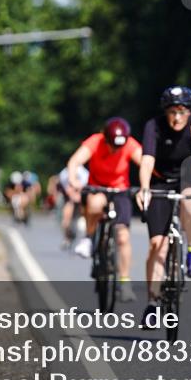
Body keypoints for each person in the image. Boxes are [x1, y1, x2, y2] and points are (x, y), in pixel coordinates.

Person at [136, 86, 191, 329]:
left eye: (182, 111)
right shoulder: (153, 126)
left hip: (187, 179)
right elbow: (147, 159)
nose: (177, 117)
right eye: (172, 112)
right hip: (159, 183)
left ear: (189, 112)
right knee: (158, 246)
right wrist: (144, 187)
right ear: (165, 112)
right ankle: (152, 305)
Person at [66, 117, 143, 302]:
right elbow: (74, 161)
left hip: (120, 190)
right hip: (97, 187)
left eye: (119, 147)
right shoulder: (95, 141)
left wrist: (147, 185)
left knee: (123, 236)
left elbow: (145, 164)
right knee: (94, 204)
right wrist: (73, 179)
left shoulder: (129, 144)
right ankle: (89, 238)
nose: (115, 150)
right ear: (105, 139)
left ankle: (124, 282)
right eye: (112, 146)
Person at [57, 164, 89, 249]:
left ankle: (87, 237)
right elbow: (67, 190)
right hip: (69, 197)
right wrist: (72, 196)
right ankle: (67, 236)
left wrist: (78, 196)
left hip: (82, 194)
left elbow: (84, 187)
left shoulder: (83, 173)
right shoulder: (64, 174)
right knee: (66, 216)